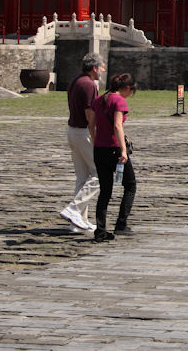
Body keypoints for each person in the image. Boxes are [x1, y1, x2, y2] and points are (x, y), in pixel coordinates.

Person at [59, 53, 104, 233]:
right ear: (94, 68)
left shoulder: (76, 81)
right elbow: (89, 114)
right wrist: (97, 136)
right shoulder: (88, 84)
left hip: (73, 131)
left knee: (82, 177)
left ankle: (78, 222)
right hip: (84, 131)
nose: (103, 70)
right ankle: (74, 209)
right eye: (101, 67)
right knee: (100, 172)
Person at [90, 73, 138, 242]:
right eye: (131, 91)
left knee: (105, 190)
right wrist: (123, 150)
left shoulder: (99, 100)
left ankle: (100, 229)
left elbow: (91, 123)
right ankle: (121, 223)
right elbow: (118, 125)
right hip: (114, 149)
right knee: (130, 185)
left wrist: (96, 140)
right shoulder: (119, 101)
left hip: (99, 149)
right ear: (126, 88)